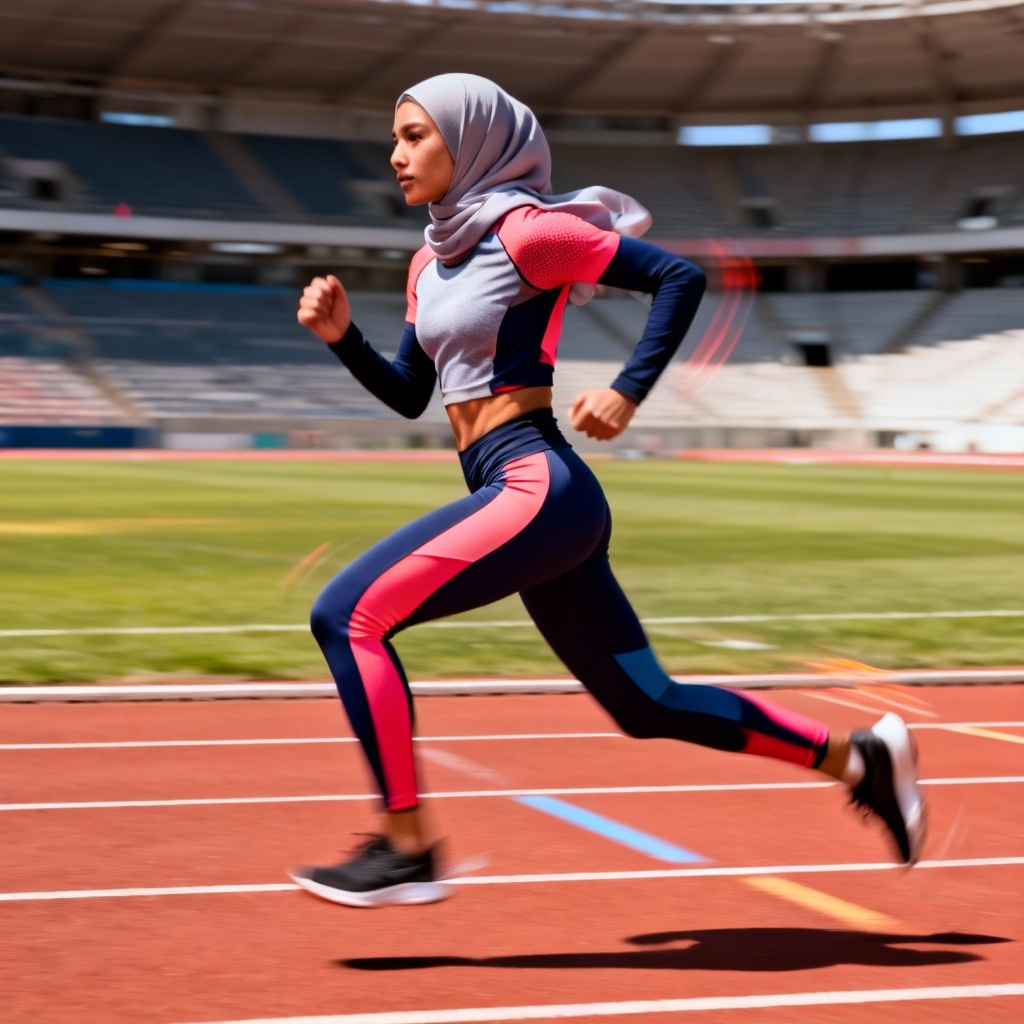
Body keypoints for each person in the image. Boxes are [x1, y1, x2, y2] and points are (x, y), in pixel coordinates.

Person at [292, 73, 926, 908]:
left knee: (349, 615)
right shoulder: (428, 261)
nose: (395, 153)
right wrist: (345, 341)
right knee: (645, 702)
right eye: (397, 137)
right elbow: (415, 390)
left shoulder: (528, 234)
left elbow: (677, 278)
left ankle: (408, 846)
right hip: (522, 496)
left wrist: (627, 389)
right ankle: (860, 759)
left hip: (536, 484)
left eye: (414, 135)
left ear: (470, 139)